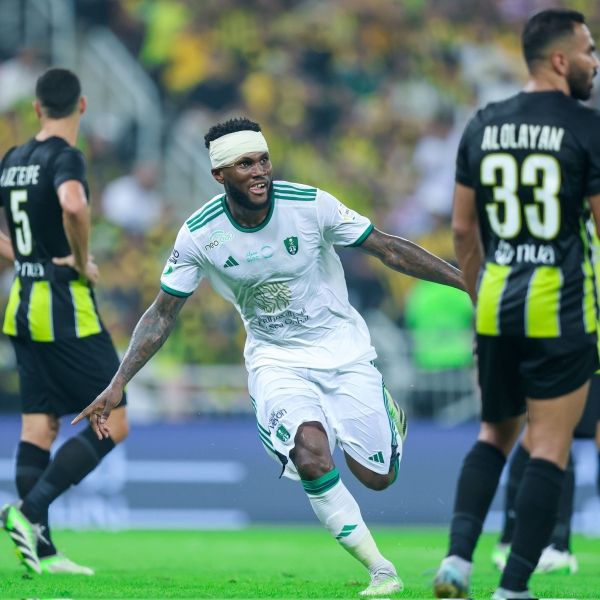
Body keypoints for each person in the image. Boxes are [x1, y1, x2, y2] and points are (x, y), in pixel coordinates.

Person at [71, 116, 464, 596]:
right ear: (219, 175)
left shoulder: (310, 204)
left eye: (263, 160)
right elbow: (161, 315)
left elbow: (389, 250)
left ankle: (387, 418)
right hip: (276, 361)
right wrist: (118, 383)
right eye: (245, 164)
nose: (259, 171)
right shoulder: (200, 234)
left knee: (377, 477)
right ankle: (381, 571)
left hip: (344, 352)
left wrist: (468, 282)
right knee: (310, 454)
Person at [433, 9, 600, 600]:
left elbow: (462, 229)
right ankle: (513, 587)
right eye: (588, 50)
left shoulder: (483, 123)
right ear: (559, 59)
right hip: (561, 306)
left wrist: (479, 296)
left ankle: (456, 561)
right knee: (550, 447)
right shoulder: (587, 127)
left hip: (497, 304)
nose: (594, 62)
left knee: (493, 435)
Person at [0, 68, 129, 575]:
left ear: (37, 108)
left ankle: (43, 552)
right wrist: (79, 259)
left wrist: (22, 257)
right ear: (82, 105)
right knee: (114, 421)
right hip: (64, 308)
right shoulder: (65, 157)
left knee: (40, 426)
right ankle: (28, 512)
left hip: (20, 306)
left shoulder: (13, 160)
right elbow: (73, 204)